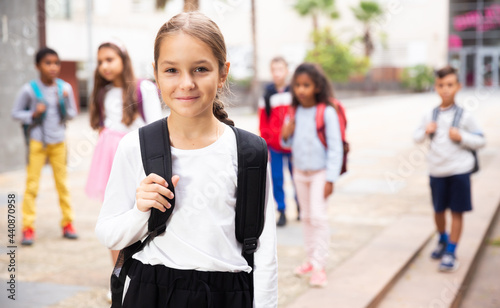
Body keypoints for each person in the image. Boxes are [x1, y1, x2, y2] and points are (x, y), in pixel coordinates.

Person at [95, 12, 278, 307]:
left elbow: (265, 250)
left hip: (228, 294)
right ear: (155, 73)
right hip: (150, 292)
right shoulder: (135, 146)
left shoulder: (250, 152)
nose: (186, 83)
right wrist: (142, 210)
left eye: (200, 69)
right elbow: (109, 233)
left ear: (222, 73)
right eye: (171, 70)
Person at [85, 40, 163, 301]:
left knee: (142, 218)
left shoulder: (143, 89)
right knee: (115, 217)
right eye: (100, 61)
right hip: (108, 160)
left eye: (109, 59)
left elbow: (155, 127)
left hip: (136, 161)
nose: (104, 66)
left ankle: (142, 275)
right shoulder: (103, 93)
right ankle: (119, 276)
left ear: (123, 59)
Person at [414, 66, 485, 272]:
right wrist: (426, 131)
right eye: (441, 85)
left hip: (459, 170)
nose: (446, 90)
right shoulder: (429, 114)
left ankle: (451, 251)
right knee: (438, 210)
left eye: (450, 85)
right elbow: (415, 137)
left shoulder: (466, 115)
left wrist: (462, 137)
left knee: (457, 211)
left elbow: (481, 140)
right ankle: (443, 239)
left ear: (458, 87)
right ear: (436, 87)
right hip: (436, 170)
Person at [281, 63, 343, 287]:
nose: (301, 90)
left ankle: (320, 266)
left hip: (320, 173)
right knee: (306, 217)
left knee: (318, 217)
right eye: (297, 85)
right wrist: (285, 134)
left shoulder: (326, 111)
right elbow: (285, 142)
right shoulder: (294, 111)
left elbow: (335, 147)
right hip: (300, 172)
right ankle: (310, 259)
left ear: (317, 87)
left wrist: (331, 179)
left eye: (306, 85)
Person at [11, 47, 79, 245]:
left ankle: (68, 223)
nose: (53, 67)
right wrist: (32, 113)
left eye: (56, 63)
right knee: (32, 185)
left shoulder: (64, 88)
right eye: (47, 63)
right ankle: (28, 227)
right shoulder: (29, 89)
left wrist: (64, 103)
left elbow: (73, 114)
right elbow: (15, 113)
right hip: (37, 143)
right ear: (37, 66)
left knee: (63, 185)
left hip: (58, 142)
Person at [259, 56, 298, 226]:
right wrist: (265, 145)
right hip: (274, 147)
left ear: (287, 71)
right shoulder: (267, 96)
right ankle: (281, 210)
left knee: (297, 176)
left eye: (280, 69)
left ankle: (300, 206)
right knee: (277, 178)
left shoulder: (295, 93)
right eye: (274, 70)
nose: (277, 73)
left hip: (294, 146)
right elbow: (263, 123)